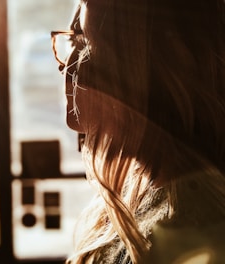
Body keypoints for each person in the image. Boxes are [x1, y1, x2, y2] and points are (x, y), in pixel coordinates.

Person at [51, 0, 225, 263]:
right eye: (71, 42)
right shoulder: (148, 195)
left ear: (145, 65)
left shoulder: (193, 223)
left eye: (85, 43)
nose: (66, 66)